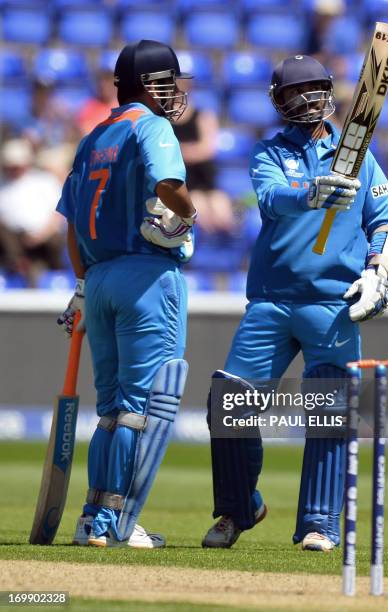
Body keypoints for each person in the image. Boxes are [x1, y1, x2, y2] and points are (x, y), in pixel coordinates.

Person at [202, 55, 388, 551]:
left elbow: (387, 219)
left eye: (315, 87)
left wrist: (379, 273)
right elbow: (271, 199)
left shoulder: (358, 154)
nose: (308, 98)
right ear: (279, 100)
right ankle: (237, 508)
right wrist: (312, 193)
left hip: (332, 303)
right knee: (229, 403)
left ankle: (319, 523)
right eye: (296, 91)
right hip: (271, 300)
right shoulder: (268, 151)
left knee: (329, 410)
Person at [56, 40, 197, 549]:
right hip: (146, 277)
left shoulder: (92, 136)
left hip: (97, 281)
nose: (177, 92)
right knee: (138, 409)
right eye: (171, 82)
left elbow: (71, 225)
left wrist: (79, 284)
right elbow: (168, 185)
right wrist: (190, 216)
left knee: (110, 408)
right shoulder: (152, 126)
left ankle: (91, 515)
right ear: (152, 84)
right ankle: (113, 523)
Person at [172, 81, 235, 234]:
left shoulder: (203, 116)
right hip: (181, 183)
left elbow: (207, 150)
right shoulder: (162, 120)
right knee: (200, 212)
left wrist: (178, 151)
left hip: (205, 179)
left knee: (224, 214)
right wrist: (194, 149)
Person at [0, 138, 64, 285]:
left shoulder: (44, 181)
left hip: (45, 238)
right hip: (14, 241)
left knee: (55, 241)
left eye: (17, 165)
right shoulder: (2, 184)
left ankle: (47, 269)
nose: (14, 169)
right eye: (10, 165)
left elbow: (58, 214)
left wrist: (40, 236)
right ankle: (18, 265)